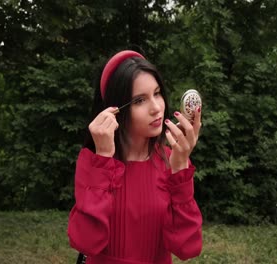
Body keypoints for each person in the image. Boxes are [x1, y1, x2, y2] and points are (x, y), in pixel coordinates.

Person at [67, 50, 203, 264]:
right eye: (140, 100)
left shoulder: (171, 160)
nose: (157, 108)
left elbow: (187, 248)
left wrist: (179, 170)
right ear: (114, 110)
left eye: (157, 93)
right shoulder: (94, 162)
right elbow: (85, 242)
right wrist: (103, 159)